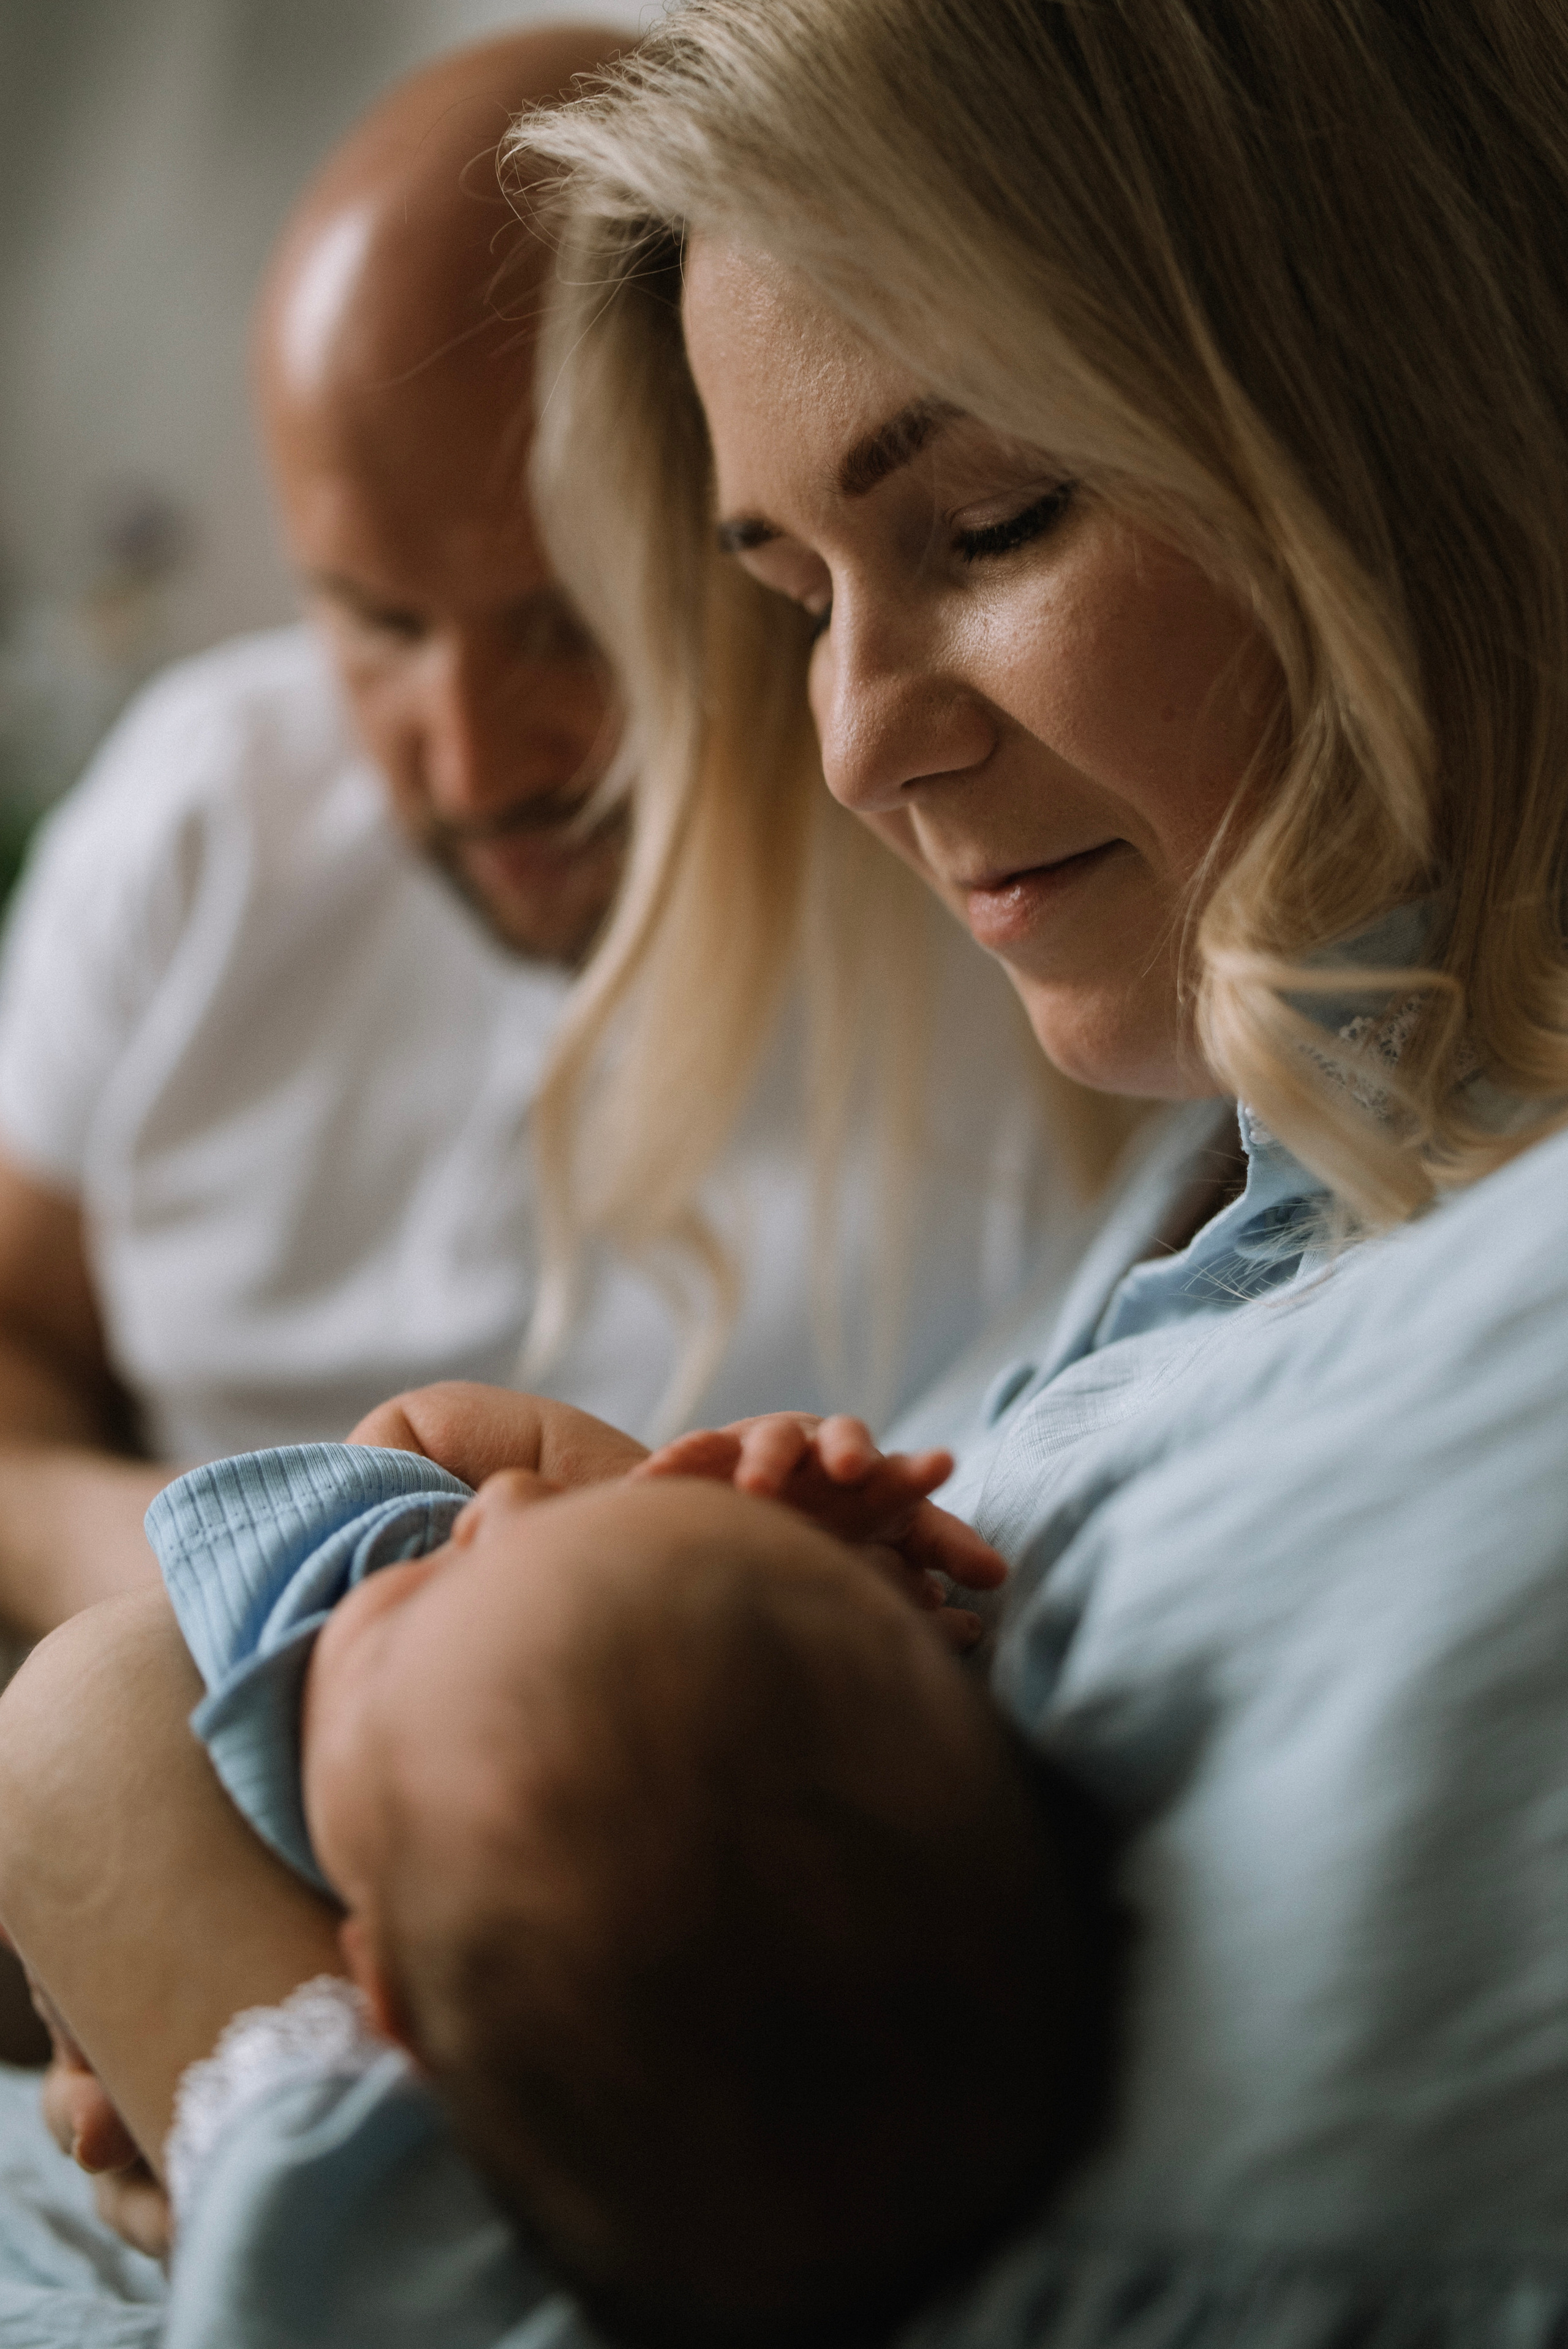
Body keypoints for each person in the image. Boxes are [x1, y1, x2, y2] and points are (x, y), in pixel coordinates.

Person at [0, 25, 1076, 1641]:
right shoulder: (203, 814)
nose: (475, 760)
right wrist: (251, 1612)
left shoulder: (1032, 923)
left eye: (569, 626)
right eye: (372, 621)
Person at [0, 1410, 1115, 2349]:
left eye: (393, 1610)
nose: (503, 1498)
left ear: (378, 2006)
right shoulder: (628, 2092)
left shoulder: (327, 2218)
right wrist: (665, 1544)